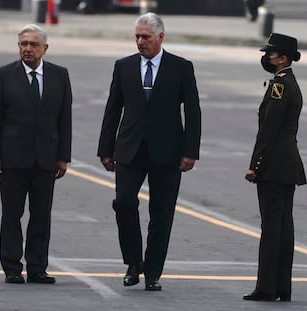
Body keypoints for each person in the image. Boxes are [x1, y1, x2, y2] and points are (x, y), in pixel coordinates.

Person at [97, 12, 201, 291]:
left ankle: (153, 272)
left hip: (167, 151)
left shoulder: (181, 67)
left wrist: (190, 151)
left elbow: (192, 112)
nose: (140, 42)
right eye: (137, 37)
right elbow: (112, 108)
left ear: (160, 37)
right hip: (129, 149)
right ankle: (133, 262)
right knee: (123, 202)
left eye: (145, 37)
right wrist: (105, 148)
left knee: (161, 214)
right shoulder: (123, 66)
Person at [0, 24, 72, 284]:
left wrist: (63, 156)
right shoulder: (4, 75)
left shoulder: (59, 75)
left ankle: (37, 267)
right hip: (12, 159)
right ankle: (12, 267)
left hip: (46, 158)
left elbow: (64, 119)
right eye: (23, 44)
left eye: (33, 44)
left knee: (41, 215)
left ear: (44, 48)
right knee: (11, 214)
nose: (27, 49)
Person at [243, 33, 306, 301]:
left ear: (282, 58)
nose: (266, 57)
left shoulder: (280, 86)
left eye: (270, 53)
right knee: (283, 226)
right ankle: (281, 286)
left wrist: (255, 164)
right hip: (287, 165)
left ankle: (267, 288)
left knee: (271, 227)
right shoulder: (289, 82)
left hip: (275, 166)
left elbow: (269, 129)